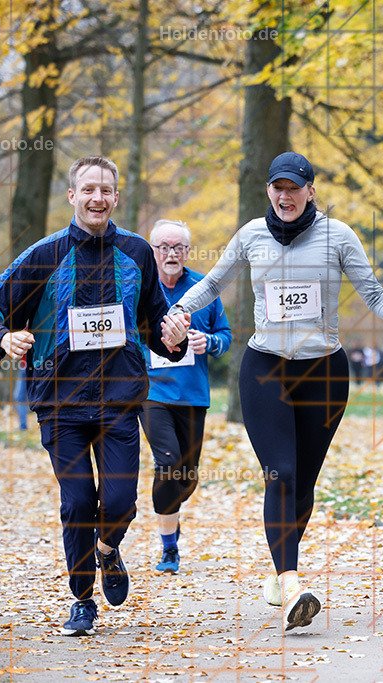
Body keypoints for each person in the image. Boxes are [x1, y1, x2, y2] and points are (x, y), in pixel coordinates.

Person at [164, 152, 383, 631]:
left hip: (324, 374)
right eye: (278, 187)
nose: (286, 196)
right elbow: (212, 284)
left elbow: (374, 295)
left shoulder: (339, 236)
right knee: (282, 473)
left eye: (295, 187)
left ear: (311, 191)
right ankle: (292, 582)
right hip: (265, 369)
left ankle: (281, 567)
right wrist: (176, 312)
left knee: (304, 484)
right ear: (268, 191)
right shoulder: (251, 235)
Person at [0, 156, 189, 637]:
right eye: (88, 189)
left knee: (121, 501)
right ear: (72, 196)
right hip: (60, 403)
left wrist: (172, 336)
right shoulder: (44, 255)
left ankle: (107, 550)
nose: (97, 198)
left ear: (115, 197)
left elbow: (153, 321)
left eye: (105, 190)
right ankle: (82, 599)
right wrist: (3, 337)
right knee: (78, 503)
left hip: (119, 399)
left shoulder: (136, 252)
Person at [141, 219, 232, 574]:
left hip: (193, 395)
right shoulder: (141, 287)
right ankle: (169, 548)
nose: (171, 254)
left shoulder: (204, 289)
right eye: (164, 247)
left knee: (187, 477)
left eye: (178, 247)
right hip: (152, 391)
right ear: (153, 251)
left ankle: (170, 516)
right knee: (167, 461)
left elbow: (225, 336)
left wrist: (208, 341)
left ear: (188, 251)